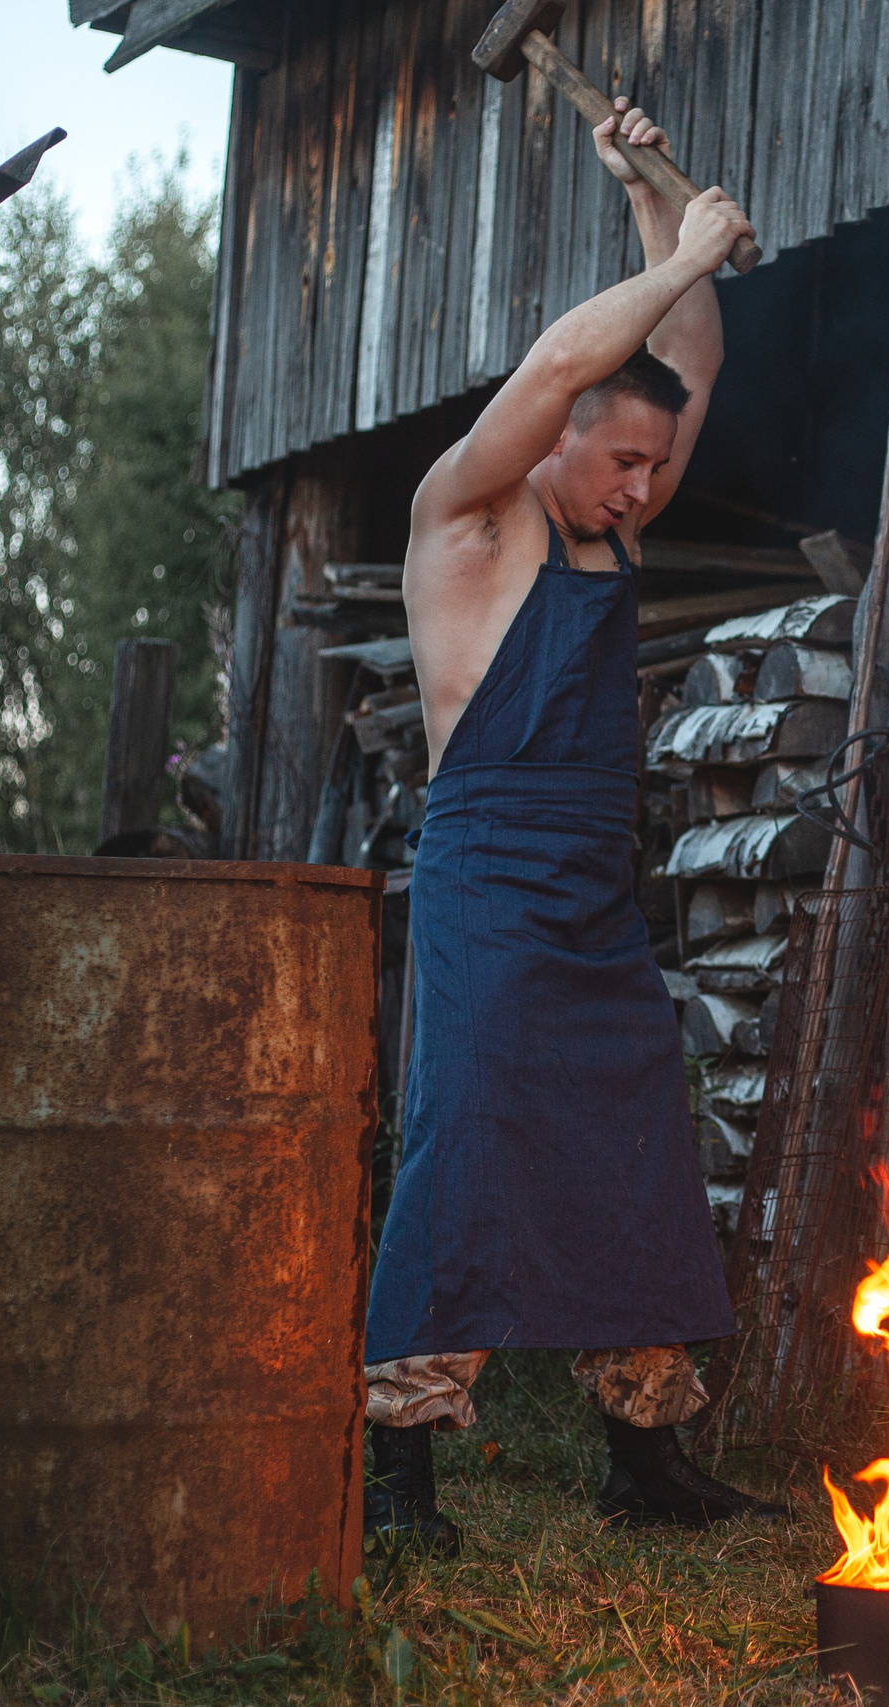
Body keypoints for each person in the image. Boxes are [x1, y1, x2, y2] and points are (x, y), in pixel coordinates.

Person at [359, 101, 777, 1550]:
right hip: (486, 882)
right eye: (623, 462)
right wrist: (690, 250)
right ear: (558, 440)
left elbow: (687, 364)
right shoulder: (469, 514)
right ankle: (398, 1474)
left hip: (595, 894)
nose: (645, 486)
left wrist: (651, 202)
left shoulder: (614, 523)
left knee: (637, 1149)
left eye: (656, 467)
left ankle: (643, 1460)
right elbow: (557, 363)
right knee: (465, 1146)